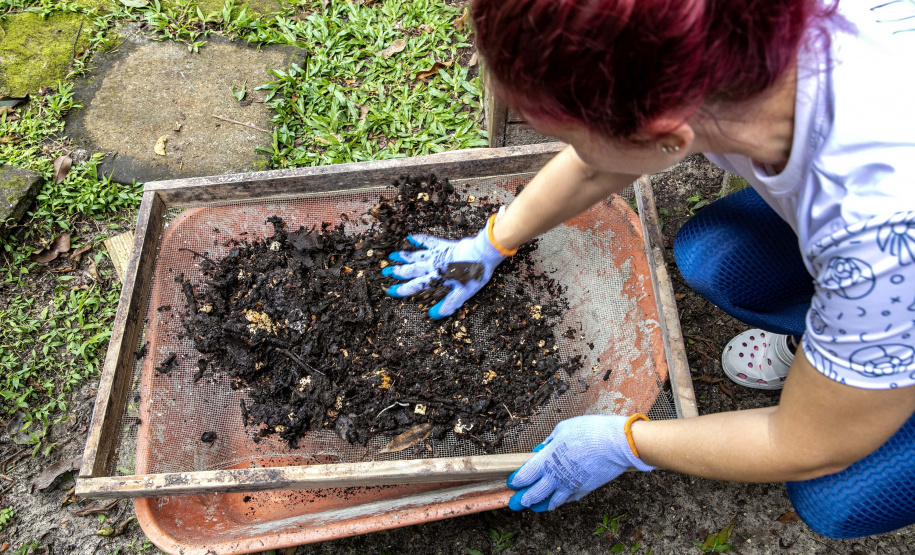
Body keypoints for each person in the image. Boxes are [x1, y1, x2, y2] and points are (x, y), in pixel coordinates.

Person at [381, 0, 915, 539]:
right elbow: (600, 162)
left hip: (893, 268)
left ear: (669, 136)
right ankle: (851, 357)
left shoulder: (881, 240)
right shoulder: (735, 43)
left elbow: (804, 446)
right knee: (717, 258)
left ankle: (862, 368)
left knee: (839, 497)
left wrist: (628, 443)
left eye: (574, 133)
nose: (576, 149)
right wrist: (493, 242)